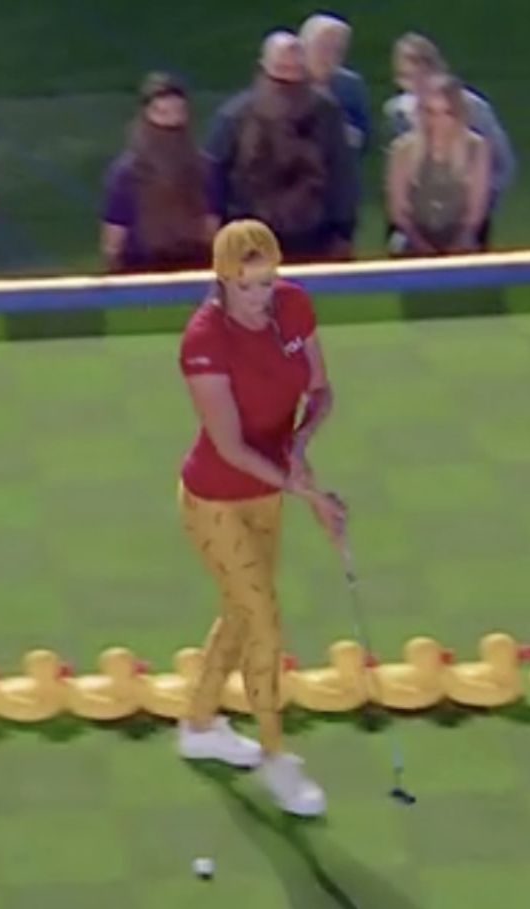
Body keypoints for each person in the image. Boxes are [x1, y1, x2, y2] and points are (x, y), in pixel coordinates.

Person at [173, 220, 343, 819]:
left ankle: (198, 725)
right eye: (246, 286)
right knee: (263, 622)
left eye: (267, 282)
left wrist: (299, 445)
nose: (259, 297)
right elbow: (229, 445)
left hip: (267, 493)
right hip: (214, 498)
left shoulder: (294, 306)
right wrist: (310, 494)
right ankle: (275, 756)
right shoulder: (204, 340)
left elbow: (320, 392)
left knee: (242, 613)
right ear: (222, 280)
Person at [205, 31, 358, 264]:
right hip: (251, 234)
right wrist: (215, 223)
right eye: (281, 69)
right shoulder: (235, 116)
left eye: (295, 70)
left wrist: (343, 229)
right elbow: (214, 172)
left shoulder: (327, 113)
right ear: (264, 67)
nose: (288, 79)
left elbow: (341, 172)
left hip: (314, 235)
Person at [382, 35, 515, 248]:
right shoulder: (396, 112)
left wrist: (478, 206)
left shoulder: (474, 109)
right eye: (406, 77)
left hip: (465, 219)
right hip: (416, 227)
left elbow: (502, 162)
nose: (415, 86)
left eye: (420, 76)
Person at [100, 72, 214, 275]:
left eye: (178, 112)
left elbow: (212, 225)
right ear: (147, 115)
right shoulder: (127, 173)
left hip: (195, 266)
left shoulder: (206, 169)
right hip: (140, 270)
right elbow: (114, 236)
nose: (171, 121)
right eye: (162, 113)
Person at [385, 75, 492, 257]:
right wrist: (423, 247)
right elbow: (399, 212)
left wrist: (457, 245)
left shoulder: (476, 147)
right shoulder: (403, 150)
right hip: (414, 239)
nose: (438, 122)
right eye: (430, 112)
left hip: (461, 239)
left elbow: (475, 210)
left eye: (447, 113)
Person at [300, 13, 370, 153]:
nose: (330, 57)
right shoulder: (284, 81)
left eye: (338, 50)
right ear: (303, 46)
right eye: (323, 48)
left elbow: (364, 138)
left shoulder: (350, 86)